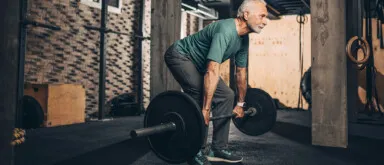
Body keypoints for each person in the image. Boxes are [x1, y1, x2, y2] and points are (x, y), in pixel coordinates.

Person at [164, 0, 268, 164]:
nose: (265, 21)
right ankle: (195, 150)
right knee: (200, 95)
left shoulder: (244, 39)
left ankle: (218, 148)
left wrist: (240, 104)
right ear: (246, 15)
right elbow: (212, 69)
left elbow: (240, 73)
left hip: (199, 64)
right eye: (262, 16)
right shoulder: (225, 30)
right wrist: (205, 109)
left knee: (227, 95)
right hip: (180, 55)